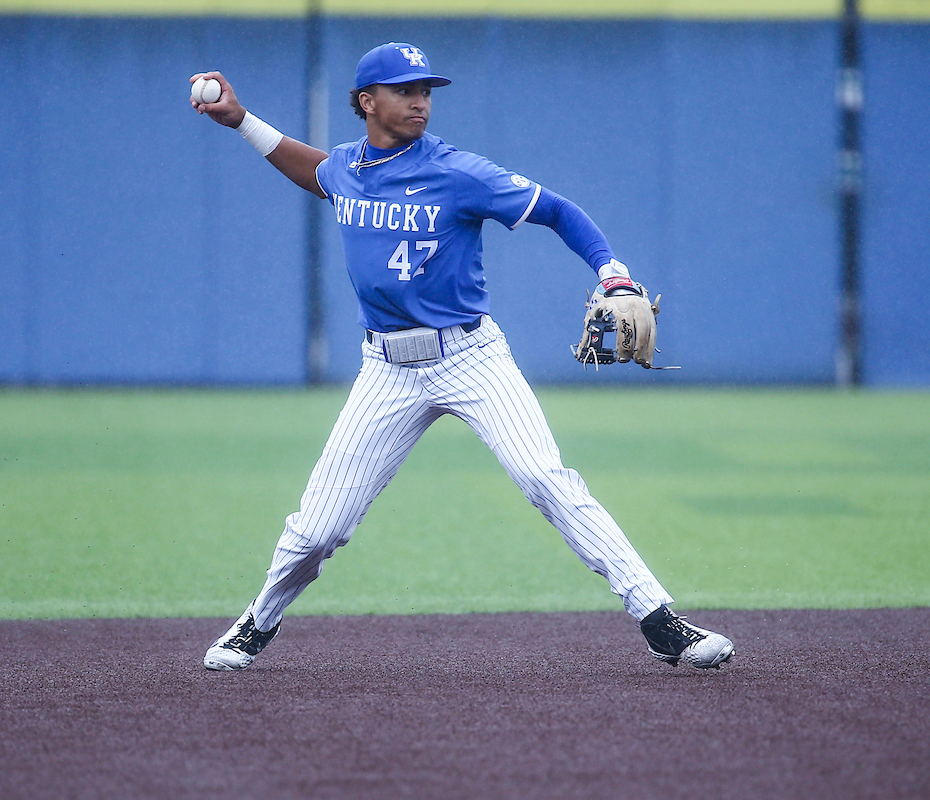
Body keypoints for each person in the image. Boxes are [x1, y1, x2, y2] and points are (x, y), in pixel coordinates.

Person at [192, 42, 734, 672]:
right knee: (318, 530)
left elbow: (557, 211)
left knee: (545, 479)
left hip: (470, 356)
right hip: (387, 370)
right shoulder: (347, 167)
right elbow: (312, 170)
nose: (420, 100)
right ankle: (257, 622)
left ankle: (660, 622)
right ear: (367, 102)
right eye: (405, 90)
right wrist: (241, 121)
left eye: (426, 90)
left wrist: (612, 272)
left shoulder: (458, 172)